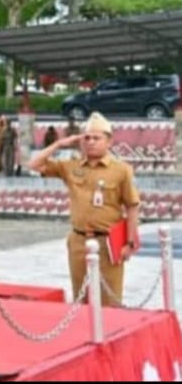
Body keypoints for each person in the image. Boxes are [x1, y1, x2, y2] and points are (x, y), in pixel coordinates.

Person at [28, 112, 139, 307]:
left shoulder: (121, 170)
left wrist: (130, 242)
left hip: (107, 242)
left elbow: (132, 206)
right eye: (86, 138)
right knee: (80, 297)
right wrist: (59, 144)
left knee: (109, 300)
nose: (91, 142)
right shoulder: (71, 167)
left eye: (96, 138)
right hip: (78, 240)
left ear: (109, 141)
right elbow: (34, 165)